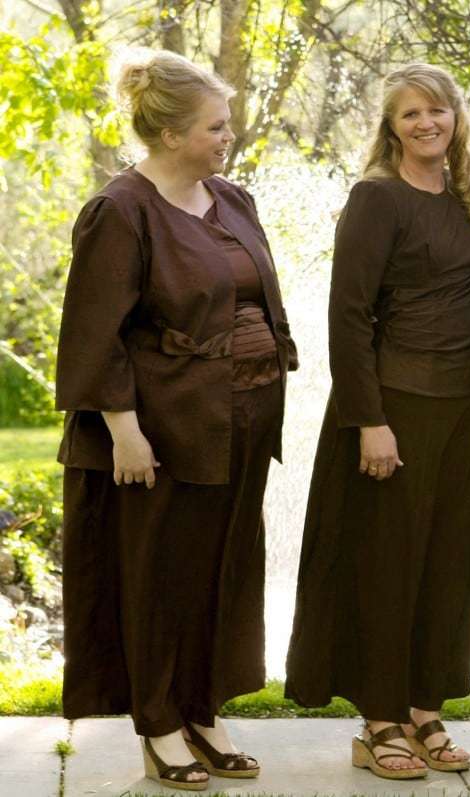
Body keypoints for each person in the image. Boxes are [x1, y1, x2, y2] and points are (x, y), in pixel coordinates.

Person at [56, 49, 298, 791]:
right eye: (214, 127)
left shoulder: (231, 198)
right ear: (168, 135)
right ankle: (158, 720)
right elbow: (96, 331)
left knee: (220, 571)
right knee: (157, 575)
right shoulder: (121, 210)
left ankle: (202, 708)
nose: (227, 136)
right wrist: (124, 429)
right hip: (159, 428)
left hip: (241, 421)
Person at [284, 64, 470, 781]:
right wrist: (367, 420)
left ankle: (424, 707)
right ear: (392, 127)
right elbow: (348, 315)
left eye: (436, 110)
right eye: (410, 115)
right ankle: (379, 718)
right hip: (395, 406)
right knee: (387, 565)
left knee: (450, 562)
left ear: (456, 116)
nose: (426, 123)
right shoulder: (377, 198)